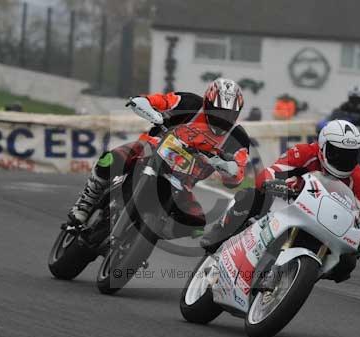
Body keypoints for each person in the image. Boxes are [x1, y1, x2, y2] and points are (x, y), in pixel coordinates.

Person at [68, 78, 251, 237]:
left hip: (182, 181)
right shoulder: (188, 103)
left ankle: (147, 235)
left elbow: (238, 174)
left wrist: (224, 166)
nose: (222, 118)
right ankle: (85, 203)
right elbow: (155, 100)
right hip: (149, 151)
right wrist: (145, 106)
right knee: (111, 159)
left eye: (229, 114)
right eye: (217, 111)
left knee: (195, 224)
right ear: (206, 103)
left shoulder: (238, 137)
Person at [201, 119, 360, 283]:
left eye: (349, 156)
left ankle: (304, 276)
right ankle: (220, 234)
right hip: (288, 201)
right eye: (337, 153)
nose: (342, 160)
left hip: (325, 222)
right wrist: (271, 183)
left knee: (348, 262)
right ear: (323, 147)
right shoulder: (305, 152)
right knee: (250, 196)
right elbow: (273, 171)